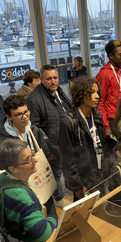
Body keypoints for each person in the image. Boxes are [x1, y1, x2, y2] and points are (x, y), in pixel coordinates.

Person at [0, 95, 57, 215]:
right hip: (22, 181)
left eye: (26, 111)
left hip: (40, 174)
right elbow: (4, 168)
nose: (25, 116)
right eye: (18, 114)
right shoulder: (5, 141)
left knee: (50, 211)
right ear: (8, 117)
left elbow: (41, 145)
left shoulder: (32, 129)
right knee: (34, 212)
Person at [0, 139, 57, 242]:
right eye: (28, 160)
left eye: (32, 155)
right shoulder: (22, 197)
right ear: (13, 169)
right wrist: (53, 216)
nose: (35, 160)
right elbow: (41, 233)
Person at [26, 64, 72, 207]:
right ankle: (59, 198)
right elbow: (34, 129)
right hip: (52, 145)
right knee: (55, 172)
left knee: (66, 168)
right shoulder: (34, 99)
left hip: (66, 141)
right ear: (41, 79)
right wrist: (46, 150)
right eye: (49, 78)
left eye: (55, 78)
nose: (53, 81)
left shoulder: (58, 91)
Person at [59, 76, 107, 201]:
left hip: (100, 173)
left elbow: (102, 145)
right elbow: (67, 160)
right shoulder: (69, 123)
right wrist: (77, 186)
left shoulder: (97, 115)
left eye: (97, 92)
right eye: (92, 93)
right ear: (80, 95)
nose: (97, 96)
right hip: (83, 180)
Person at [96, 40, 121, 138]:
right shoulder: (103, 74)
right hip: (111, 120)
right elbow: (99, 102)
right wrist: (106, 126)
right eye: (120, 55)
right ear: (111, 56)